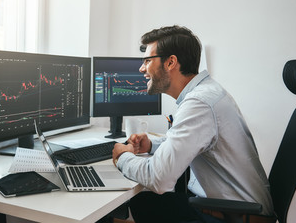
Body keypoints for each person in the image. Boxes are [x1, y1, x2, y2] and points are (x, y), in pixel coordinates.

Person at [112, 25, 274, 223]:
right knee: (145, 202)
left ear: (171, 62)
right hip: (239, 210)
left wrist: (122, 156)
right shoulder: (206, 93)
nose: (142, 68)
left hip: (237, 217)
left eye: (147, 60)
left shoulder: (199, 104)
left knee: (144, 203)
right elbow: (192, 140)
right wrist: (152, 145)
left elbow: (158, 178)